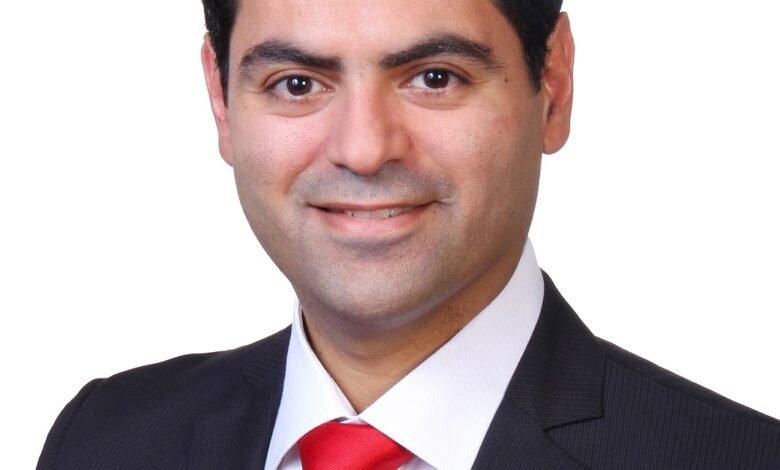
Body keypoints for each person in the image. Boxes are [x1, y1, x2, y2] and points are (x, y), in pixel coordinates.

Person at [37, 1, 780, 469]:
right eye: (298, 83)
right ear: (221, 100)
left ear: (552, 86)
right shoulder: (102, 442)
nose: (364, 150)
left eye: (434, 77)